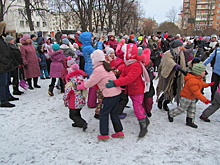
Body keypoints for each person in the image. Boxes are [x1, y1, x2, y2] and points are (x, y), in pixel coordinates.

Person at [106, 43, 151, 138]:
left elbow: (129, 78)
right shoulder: (129, 63)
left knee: (137, 107)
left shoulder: (135, 65)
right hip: (131, 89)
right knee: (137, 106)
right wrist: (116, 81)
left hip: (137, 89)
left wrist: (115, 83)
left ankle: (143, 126)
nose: (123, 54)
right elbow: (124, 75)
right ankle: (145, 120)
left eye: (125, 52)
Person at [77, 50, 124, 140]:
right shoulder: (106, 66)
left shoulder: (99, 69)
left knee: (103, 113)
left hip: (109, 95)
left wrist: (80, 86)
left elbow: (91, 82)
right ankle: (119, 131)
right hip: (116, 93)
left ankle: (104, 134)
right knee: (113, 112)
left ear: (96, 60)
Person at [168, 63, 213, 128]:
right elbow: (197, 93)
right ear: (198, 72)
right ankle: (171, 113)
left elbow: (200, 84)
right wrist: (205, 100)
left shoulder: (198, 78)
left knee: (192, 109)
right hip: (186, 97)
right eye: (203, 71)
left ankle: (190, 121)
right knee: (182, 109)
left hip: (192, 97)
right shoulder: (192, 81)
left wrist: (208, 84)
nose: (205, 73)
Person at [156, 40, 186, 111]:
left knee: (175, 91)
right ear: (177, 47)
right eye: (181, 46)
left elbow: (183, 63)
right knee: (167, 90)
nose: (182, 48)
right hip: (168, 75)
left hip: (177, 76)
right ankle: (161, 100)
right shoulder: (168, 54)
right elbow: (170, 62)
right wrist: (178, 67)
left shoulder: (181, 54)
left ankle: (166, 102)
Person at [79, 32, 103, 109]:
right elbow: (98, 53)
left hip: (89, 66)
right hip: (91, 67)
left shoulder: (86, 46)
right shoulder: (88, 47)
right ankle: (91, 102)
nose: (92, 38)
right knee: (93, 86)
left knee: (92, 84)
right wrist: (99, 43)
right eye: (91, 37)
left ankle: (91, 101)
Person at [63, 63, 88, 131]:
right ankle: (77, 123)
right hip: (81, 101)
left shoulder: (71, 84)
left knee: (72, 115)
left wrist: (64, 99)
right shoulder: (81, 80)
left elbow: (67, 94)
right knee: (77, 113)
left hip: (73, 103)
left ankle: (82, 123)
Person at [0, 21, 18, 108]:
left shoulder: (2, 39)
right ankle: (3, 100)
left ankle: (7, 96)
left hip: (6, 64)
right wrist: (5, 60)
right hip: (2, 64)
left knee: (6, 82)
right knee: (2, 83)